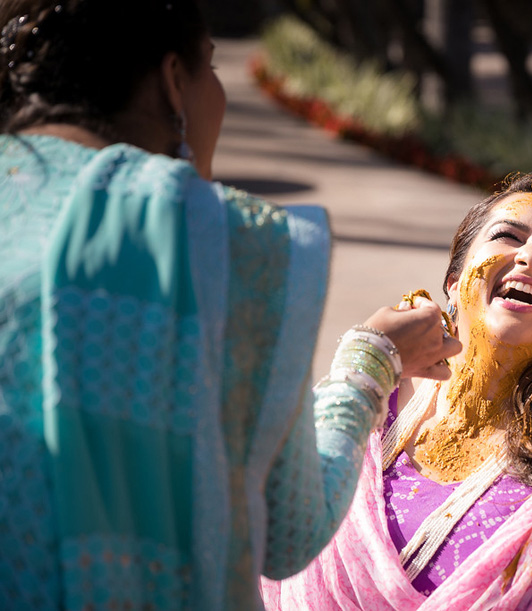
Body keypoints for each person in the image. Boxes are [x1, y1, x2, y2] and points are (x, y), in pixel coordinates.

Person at [0, 1, 460, 609]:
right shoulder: (218, 245)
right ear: (174, 81)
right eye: (211, 67)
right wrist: (373, 358)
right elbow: (290, 529)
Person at [259, 173, 532, 610]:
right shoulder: (359, 404)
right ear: (454, 280)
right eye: (507, 235)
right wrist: (366, 364)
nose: (531, 256)